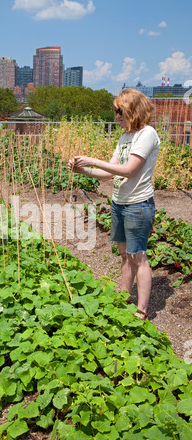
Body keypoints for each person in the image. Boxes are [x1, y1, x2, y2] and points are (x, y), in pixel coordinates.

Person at [68, 89, 160, 320]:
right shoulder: (126, 137)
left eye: (120, 112)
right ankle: (123, 297)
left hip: (138, 204)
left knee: (138, 256)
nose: (117, 116)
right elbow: (109, 172)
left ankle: (141, 311)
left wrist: (92, 159)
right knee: (124, 253)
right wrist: (84, 170)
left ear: (132, 110)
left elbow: (129, 170)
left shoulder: (146, 134)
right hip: (120, 203)